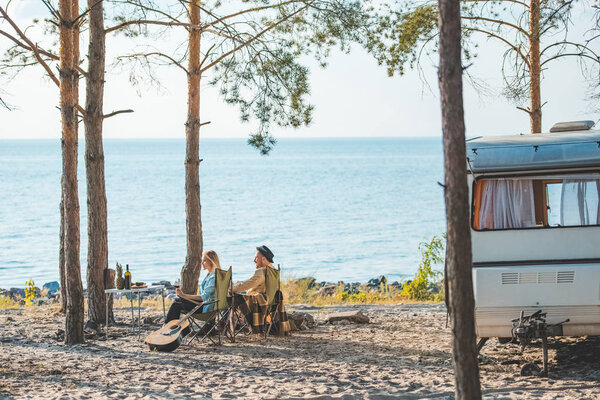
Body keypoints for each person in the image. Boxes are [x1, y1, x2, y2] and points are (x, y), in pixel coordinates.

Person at [165, 250, 221, 323]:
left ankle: (167, 327)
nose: (202, 263)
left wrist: (184, 296)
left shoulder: (213, 277)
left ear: (211, 261)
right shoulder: (213, 275)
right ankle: (183, 331)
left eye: (204, 261)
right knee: (178, 301)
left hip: (206, 308)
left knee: (177, 304)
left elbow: (203, 297)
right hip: (207, 305)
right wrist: (183, 297)